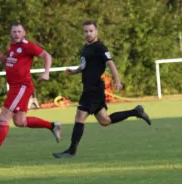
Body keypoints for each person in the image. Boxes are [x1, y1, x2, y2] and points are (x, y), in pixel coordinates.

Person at [53, 20, 151, 158]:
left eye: (90, 31)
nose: (88, 34)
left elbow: (110, 63)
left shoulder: (100, 47)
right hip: (92, 89)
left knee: (79, 117)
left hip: (93, 89)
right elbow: (84, 66)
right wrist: (74, 71)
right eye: (85, 31)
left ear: (96, 31)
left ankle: (71, 150)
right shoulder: (85, 48)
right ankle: (135, 111)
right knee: (105, 121)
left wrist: (117, 80)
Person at [0, 23, 61, 158]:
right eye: (14, 31)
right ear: (11, 33)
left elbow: (47, 56)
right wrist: (2, 59)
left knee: (4, 117)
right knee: (20, 122)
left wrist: (46, 72)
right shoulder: (12, 47)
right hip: (16, 87)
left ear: (24, 33)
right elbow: (10, 65)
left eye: (19, 31)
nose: (16, 34)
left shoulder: (28, 46)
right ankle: (53, 126)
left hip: (21, 87)